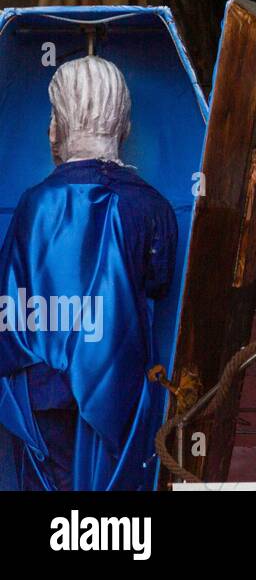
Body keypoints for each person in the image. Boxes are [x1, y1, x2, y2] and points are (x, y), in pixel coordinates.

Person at [0, 55, 177, 490]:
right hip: (119, 388)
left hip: (42, 391)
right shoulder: (152, 206)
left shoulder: (33, 204)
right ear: (125, 127)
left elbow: (11, 297)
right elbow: (160, 283)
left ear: (56, 128)